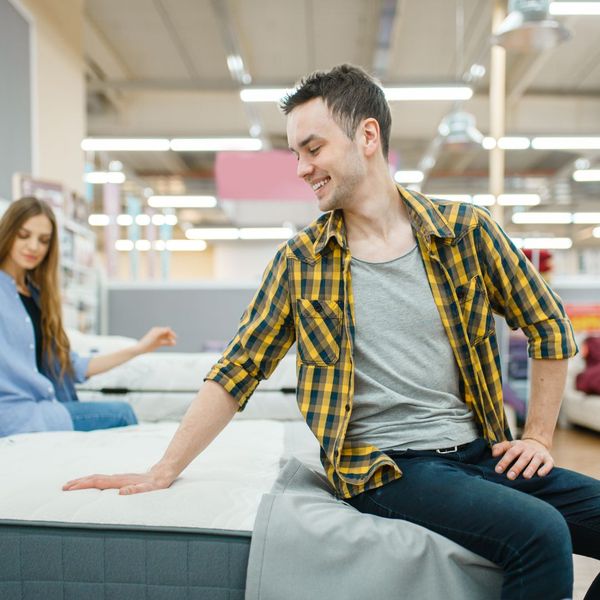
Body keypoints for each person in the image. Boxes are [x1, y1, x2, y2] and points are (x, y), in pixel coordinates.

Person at [63, 65, 600, 599]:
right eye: (296, 153)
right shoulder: (301, 262)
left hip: (482, 449)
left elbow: (547, 325)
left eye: (312, 148)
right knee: (540, 533)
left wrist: (537, 437)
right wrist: (163, 469)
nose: (301, 168)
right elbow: (237, 370)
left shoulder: (466, 231)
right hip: (393, 469)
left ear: (367, 136)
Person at [0, 196, 176, 437]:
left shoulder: (38, 296)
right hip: (15, 417)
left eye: (43, 241)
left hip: (46, 409)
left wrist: (139, 348)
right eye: (24, 235)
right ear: (8, 232)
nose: (34, 247)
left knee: (121, 416)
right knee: (122, 414)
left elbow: (70, 366)